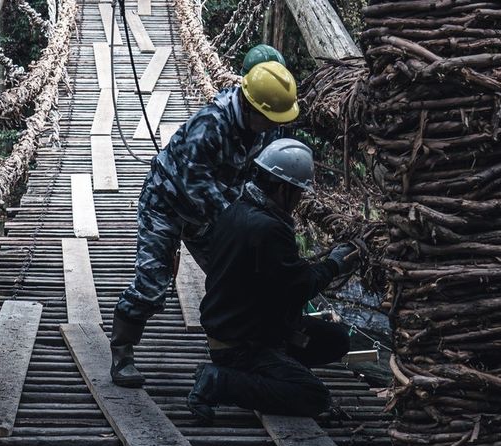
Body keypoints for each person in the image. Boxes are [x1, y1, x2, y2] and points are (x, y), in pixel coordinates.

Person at [110, 54, 299, 388]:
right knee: (153, 283)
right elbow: (196, 186)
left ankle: (239, 350)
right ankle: (122, 351)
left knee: (238, 276)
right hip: (166, 203)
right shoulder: (209, 126)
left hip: (213, 209)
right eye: (269, 119)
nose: (273, 126)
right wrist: (242, 227)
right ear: (251, 106)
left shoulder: (267, 126)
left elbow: (261, 179)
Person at [186, 138, 359, 422]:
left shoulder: (236, 210)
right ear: (283, 189)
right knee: (313, 396)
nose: (300, 200)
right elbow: (298, 287)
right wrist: (334, 265)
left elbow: (282, 278)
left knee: (336, 339)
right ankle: (219, 381)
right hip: (242, 342)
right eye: (298, 193)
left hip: (242, 325)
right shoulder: (268, 229)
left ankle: (271, 371)